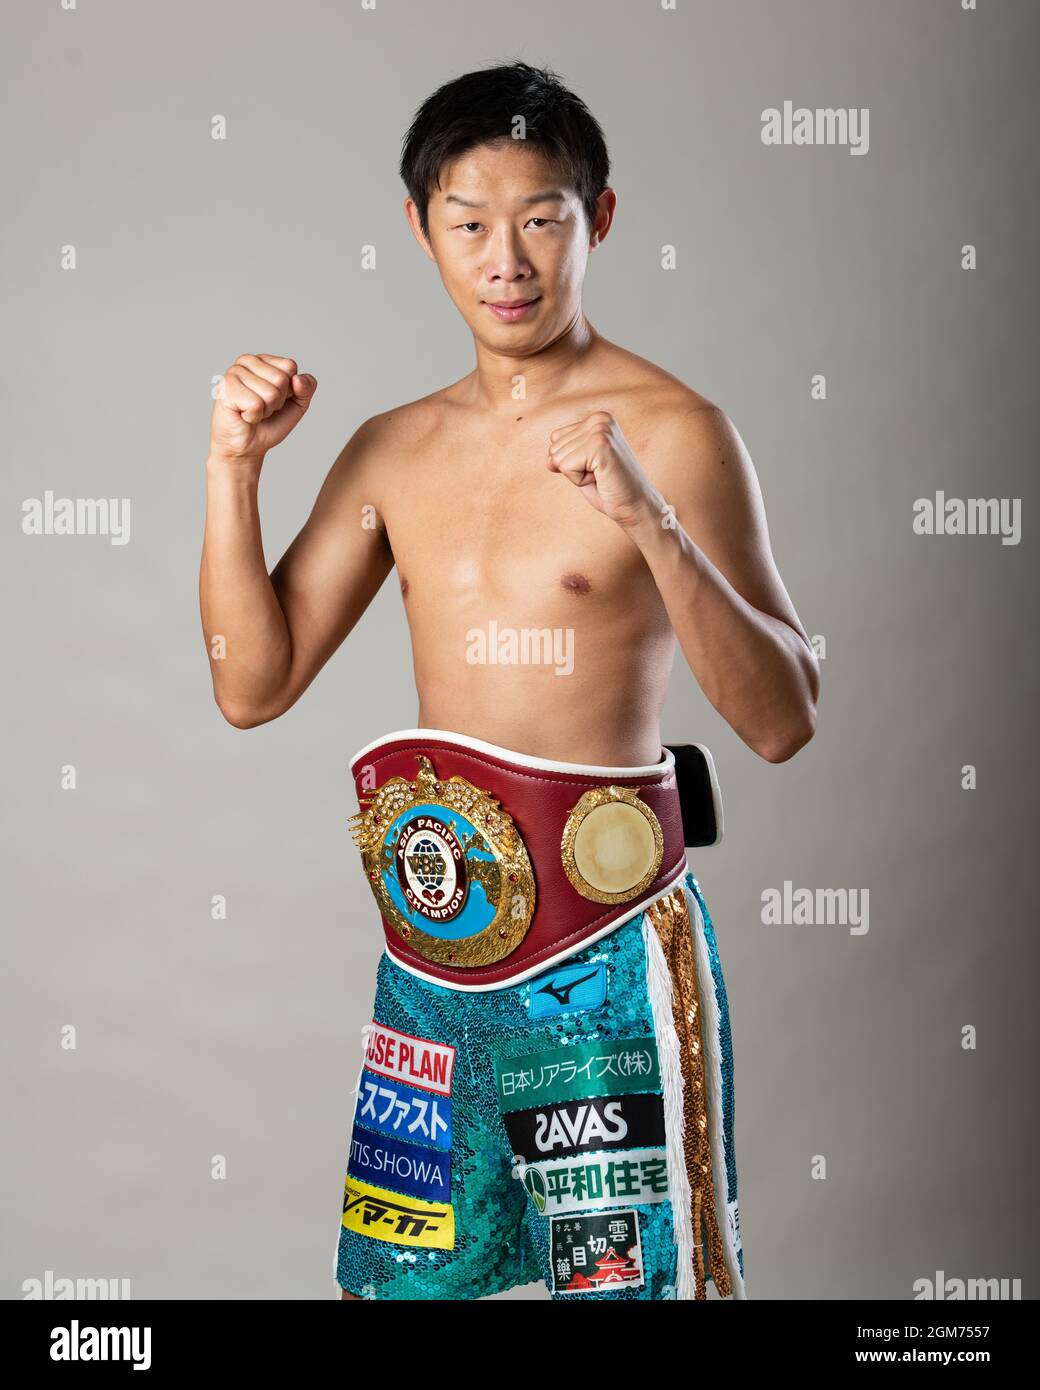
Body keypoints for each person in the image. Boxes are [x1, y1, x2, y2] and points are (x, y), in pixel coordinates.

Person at [198, 60, 819, 1301]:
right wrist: (232, 469)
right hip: (427, 974)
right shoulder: (392, 448)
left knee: (640, 1296)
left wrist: (652, 526)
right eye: (469, 224)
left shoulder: (675, 427)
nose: (506, 260)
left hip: (601, 956)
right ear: (419, 232)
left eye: (540, 218)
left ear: (596, 218)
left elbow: (782, 716)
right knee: (401, 1292)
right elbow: (251, 684)